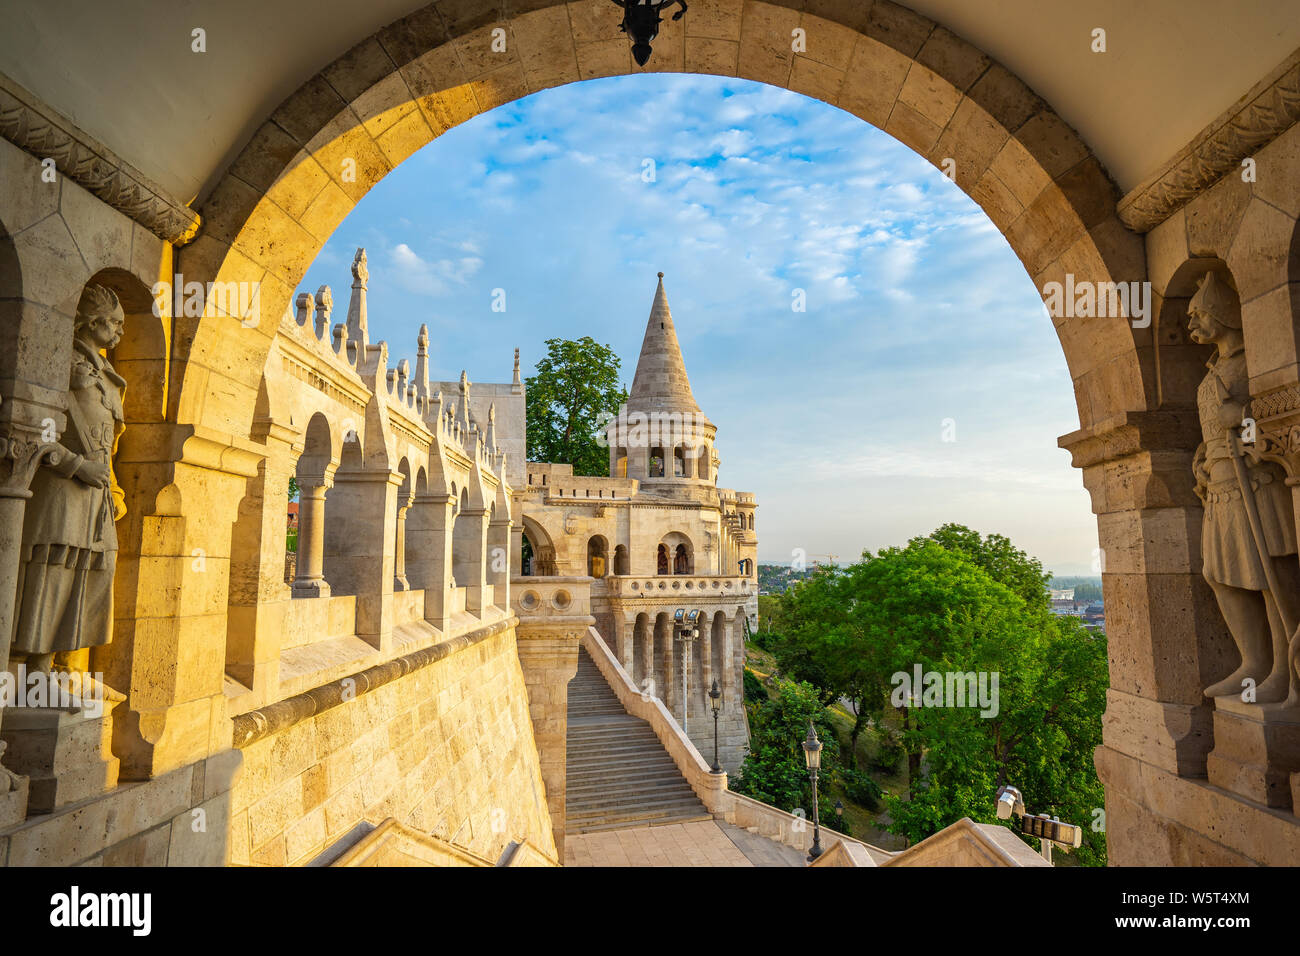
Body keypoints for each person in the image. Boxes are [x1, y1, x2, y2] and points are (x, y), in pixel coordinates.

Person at [1191, 271, 1298, 703]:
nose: (1192, 325)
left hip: (1257, 483)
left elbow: (1273, 430)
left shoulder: (1254, 363)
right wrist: (1202, 460)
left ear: (1222, 315)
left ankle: (1280, 671)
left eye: (1199, 315)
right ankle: (1252, 663)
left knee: (1270, 577)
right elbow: (1215, 435)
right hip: (1219, 490)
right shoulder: (1213, 370)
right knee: (1219, 576)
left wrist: (1245, 418)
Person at [11, 284, 127, 672]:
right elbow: (34, 426)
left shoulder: (107, 375)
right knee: (48, 573)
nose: (121, 333)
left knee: (90, 573)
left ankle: (49, 668)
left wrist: (108, 482)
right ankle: (26, 672)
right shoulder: (59, 359)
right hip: (61, 487)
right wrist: (76, 466)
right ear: (91, 320)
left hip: (97, 495)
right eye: (115, 323)